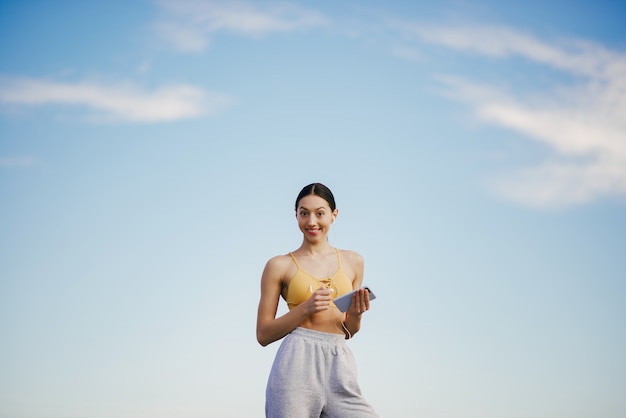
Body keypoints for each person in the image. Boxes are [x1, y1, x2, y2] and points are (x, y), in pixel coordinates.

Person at [256, 182, 378, 418]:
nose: (311, 221)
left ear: (334, 215)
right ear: (296, 215)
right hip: (296, 362)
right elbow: (263, 334)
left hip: (339, 362)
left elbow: (348, 330)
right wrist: (305, 309)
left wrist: (356, 314)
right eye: (304, 213)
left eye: (320, 213)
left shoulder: (354, 261)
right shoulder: (279, 265)